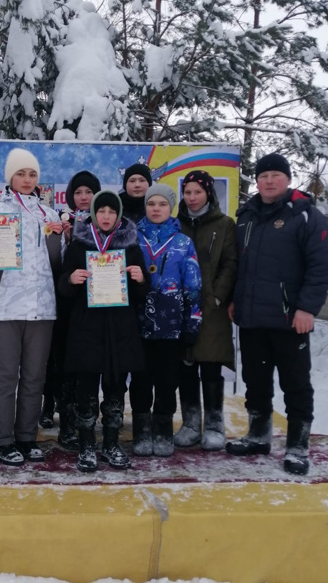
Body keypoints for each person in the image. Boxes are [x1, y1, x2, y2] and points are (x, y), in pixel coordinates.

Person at [226, 153, 328, 475]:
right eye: (263, 176)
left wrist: (306, 308)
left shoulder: (305, 216)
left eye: (275, 175)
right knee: (255, 381)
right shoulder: (245, 216)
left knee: (296, 384)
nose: (269, 181)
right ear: (256, 182)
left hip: (290, 320)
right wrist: (236, 299)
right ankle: (259, 436)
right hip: (251, 318)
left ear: (287, 179)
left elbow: (322, 265)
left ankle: (298, 446)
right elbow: (240, 266)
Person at [0, 148, 63, 466]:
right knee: (5, 375)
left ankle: (26, 436)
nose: (26, 179)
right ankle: (2, 440)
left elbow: (55, 261)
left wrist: (58, 239)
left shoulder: (49, 215)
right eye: (21, 173)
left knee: (35, 376)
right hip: (6, 306)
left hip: (42, 307)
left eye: (32, 174)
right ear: (10, 177)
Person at [59, 190, 148, 472]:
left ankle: (111, 442)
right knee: (85, 388)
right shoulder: (79, 244)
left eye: (111, 212)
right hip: (87, 327)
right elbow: (63, 287)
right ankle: (86, 444)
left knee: (115, 388)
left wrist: (140, 279)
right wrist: (71, 279)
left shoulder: (131, 246)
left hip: (120, 329)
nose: (106, 216)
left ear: (118, 215)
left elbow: (143, 292)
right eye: (101, 211)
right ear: (93, 215)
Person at [132, 184, 202, 457]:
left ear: (170, 207)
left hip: (170, 326)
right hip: (137, 324)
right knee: (140, 379)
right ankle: (141, 429)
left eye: (162, 204)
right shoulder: (132, 238)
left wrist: (192, 323)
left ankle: (162, 429)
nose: (156, 209)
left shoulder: (183, 242)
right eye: (152, 204)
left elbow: (193, 287)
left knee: (166, 379)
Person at [175, 170, 237, 451]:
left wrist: (216, 297)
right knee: (185, 367)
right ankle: (190, 423)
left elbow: (230, 263)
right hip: (180, 308)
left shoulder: (224, 224)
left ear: (208, 193)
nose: (192, 197)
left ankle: (214, 425)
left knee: (210, 367)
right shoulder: (176, 224)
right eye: (187, 192)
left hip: (211, 309)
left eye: (197, 192)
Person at [41, 171, 102, 450]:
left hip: (94, 305)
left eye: (88, 192)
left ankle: (86, 419)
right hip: (63, 302)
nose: (83, 197)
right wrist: (64, 240)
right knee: (63, 365)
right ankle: (65, 421)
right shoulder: (59, 222)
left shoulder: (105, 222)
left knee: (89, 366)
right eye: (78, 193)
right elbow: (53, 263)